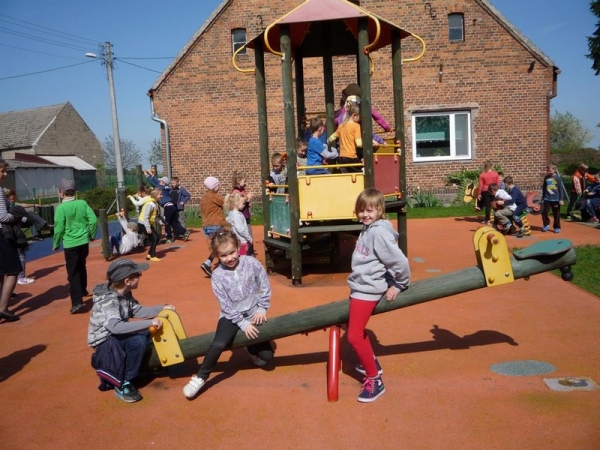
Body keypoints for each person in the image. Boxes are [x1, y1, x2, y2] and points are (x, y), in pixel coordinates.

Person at [182, 229, 275, 399]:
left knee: (267, 356)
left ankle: (250, 348)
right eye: (223, 255)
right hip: (231, 315)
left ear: (238, 247)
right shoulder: (217, 275)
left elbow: (264, 285)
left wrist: (262, 308)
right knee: (218, 344)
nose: (229, 258)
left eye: (232, 252)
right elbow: (225, 304)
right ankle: (200, 377)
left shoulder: (251, 263)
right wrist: (243, 324)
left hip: (253, 310)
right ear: (216, 255)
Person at [347, 188, 410, 402]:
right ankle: (371, 361)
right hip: (361, 285)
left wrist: (400, 283)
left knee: (354, 336)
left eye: (370, 211)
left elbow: (399, 261)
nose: (364, 214)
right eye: (361, 210)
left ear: (380, 210)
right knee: (355, 329)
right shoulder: (368, 228)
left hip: (368, 289)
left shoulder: (378, 232)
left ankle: (375, 380)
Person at [87, 258, 176, 403]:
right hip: (105, 342)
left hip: (115, 336)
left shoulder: (125, 293)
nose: (140, 277)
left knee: (150, 333)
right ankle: (124, 382)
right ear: (127, 281)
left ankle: (143, 366)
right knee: (137, 341)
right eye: (138, 274)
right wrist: (149, 323)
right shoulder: (108, 300)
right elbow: (115, 327)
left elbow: (136, 310)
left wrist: (161, 308)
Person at [53, 178, 98, 314]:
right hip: (83, 241)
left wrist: (56, 243)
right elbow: (93, 220)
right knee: (81, 265)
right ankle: (83, 289)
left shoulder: (61, 208)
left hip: (71, 243)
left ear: (61, 192)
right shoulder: (82, 203)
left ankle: (77, 302)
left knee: (73, 272)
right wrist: (92, 235)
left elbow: (59, 227)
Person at [0, 160, 23, 322]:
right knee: (13, 270)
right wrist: (15, 216)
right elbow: (3, 216)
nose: (5, 174)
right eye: (2, 171)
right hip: (2, 235)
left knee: (0, 272)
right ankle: (3, 308)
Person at [145, 172, 190, 243]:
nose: (159, 182)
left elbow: (153, 183)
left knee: (167, 222)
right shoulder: (167, 187)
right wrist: (152, 175)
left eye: (161, 181)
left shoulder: (161, 187)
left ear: (163, 182)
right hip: (172, 206)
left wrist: (147, 176)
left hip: (168, 207)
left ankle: (169, 237)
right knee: (173, 222)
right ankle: (184, 232)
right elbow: (157, 182)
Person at [3, 189, 34, 285]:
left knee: (10, 257)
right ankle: (21, 277)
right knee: (20, 255)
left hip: (9, 234)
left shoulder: (8, 206)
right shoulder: (12, 208)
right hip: (15, 234)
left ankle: (13, 278)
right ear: (11, 196)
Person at [200, 176, 226, 277]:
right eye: (218, 185)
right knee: (221, 245)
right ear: (214, 186)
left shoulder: (204, 197)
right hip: (216, 224)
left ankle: (221, 265)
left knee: (217, 245)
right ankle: (207, 263)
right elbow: (226, 202)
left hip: (207, 225)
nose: (219, 187)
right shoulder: (215, 196)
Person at [232, 170, 255, 255]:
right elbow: (237, 202)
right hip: (242, 216)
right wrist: (246, 198)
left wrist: (248, 202)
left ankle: (249, 254)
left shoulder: (242, 189)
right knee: (245, 237)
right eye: (244, 181)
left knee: (249, 236)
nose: (246, 183)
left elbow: (243, 202)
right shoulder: (235, 191)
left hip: (246, 215)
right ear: (239, 181)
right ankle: (247, 255)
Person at [138, 188, 162, 262]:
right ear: (155, 195)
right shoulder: (150, 204)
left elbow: (154, 215)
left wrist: (160, 222)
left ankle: (149, 254)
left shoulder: (155, 203)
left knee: (156, 237)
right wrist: (148, 228)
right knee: (154, 238)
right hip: (143, 223)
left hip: (147, 223)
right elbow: (146, 217)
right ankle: (152, 255)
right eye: (160, 194)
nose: (161, 196)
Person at [541, 164, 565, 233]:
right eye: (547, 170)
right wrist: (543, 197)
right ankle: (546, 224)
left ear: (554, 170)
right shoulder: (546, 177)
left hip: (555, 199)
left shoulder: (557, 178)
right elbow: (544, 188)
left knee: (556, 214)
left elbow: (560, 189)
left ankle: (557, 227)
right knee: (544, 212)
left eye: (549, 170)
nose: (548, 171)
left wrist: (561, 199)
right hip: (547, 198)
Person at [476, 161, 500, 225]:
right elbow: (498, 184)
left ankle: (487, 220)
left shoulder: (482, 175)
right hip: (493, 190)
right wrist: (497, 191)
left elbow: (480, 185)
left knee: (488, 206)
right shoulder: (495, 174)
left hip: (485, 190)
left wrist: (479, 193)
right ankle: (496, 219)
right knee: (494, 205)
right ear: (491, 166)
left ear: (484, 166)